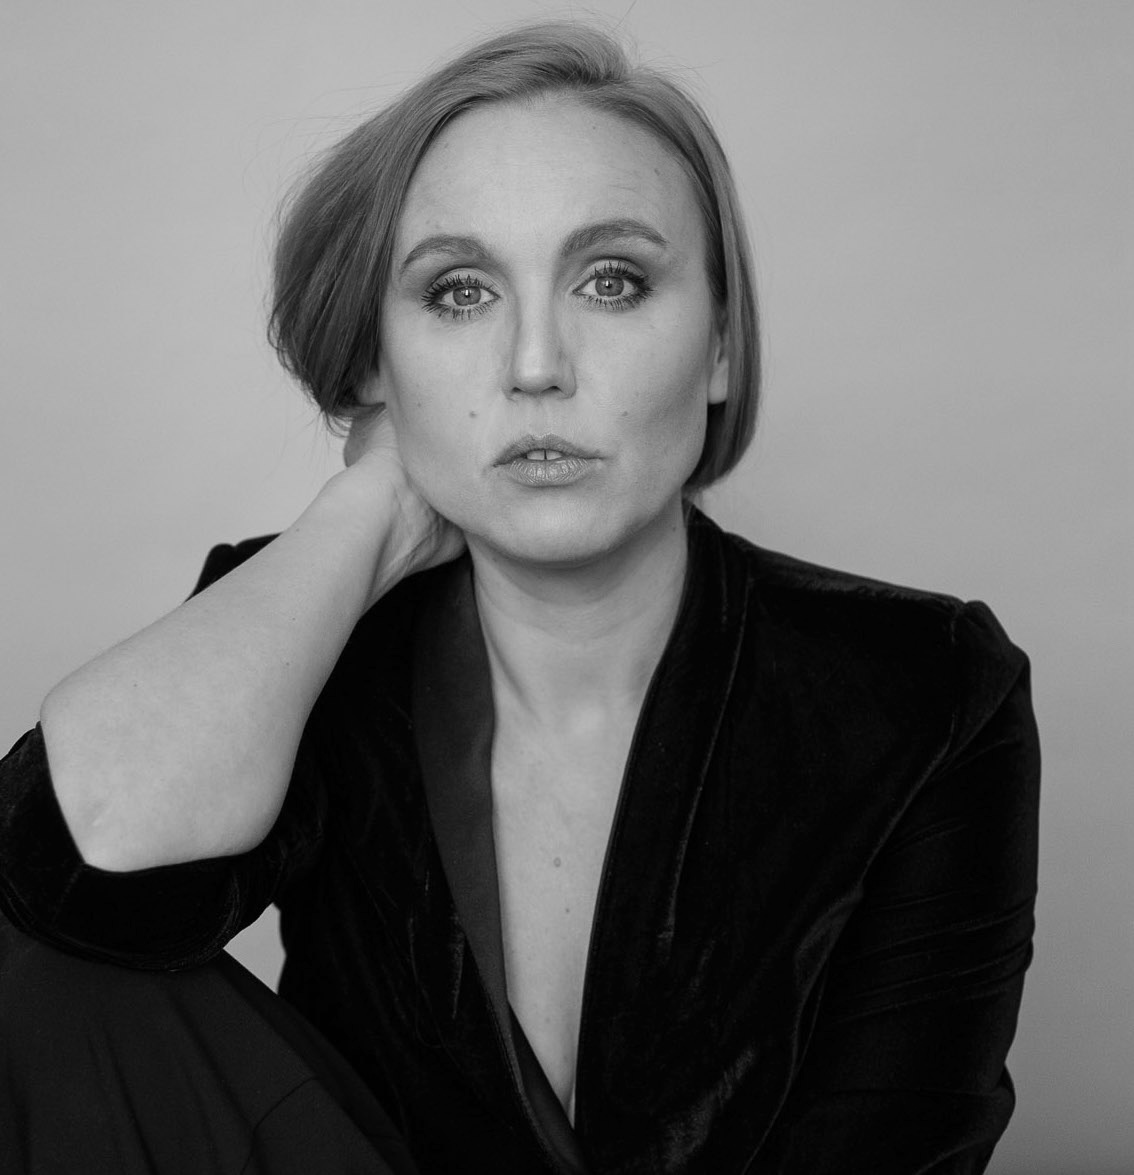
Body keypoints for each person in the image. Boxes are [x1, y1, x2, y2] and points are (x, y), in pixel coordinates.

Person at [0, 20, 1039, 1175]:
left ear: (719, 347)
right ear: (378, 362)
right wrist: (370, 508)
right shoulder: (310, 628)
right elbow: (62, 871)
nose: (536, 364)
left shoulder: (926, 690)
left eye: (612, 280)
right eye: (459, 292)